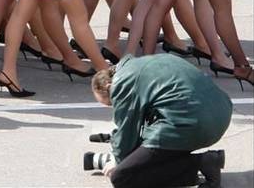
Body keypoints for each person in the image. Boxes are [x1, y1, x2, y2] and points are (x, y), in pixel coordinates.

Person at [92, 54, 231, 188]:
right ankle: (198, 163)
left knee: (122, 177)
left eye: (112, 103)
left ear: (109, 86)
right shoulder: (145, 63)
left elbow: (127, 134)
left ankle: (201, 164)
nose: (115, 106)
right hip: (221, 113)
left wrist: (117, 160)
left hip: (192, 123)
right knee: (148, 152)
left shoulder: (121, 84)